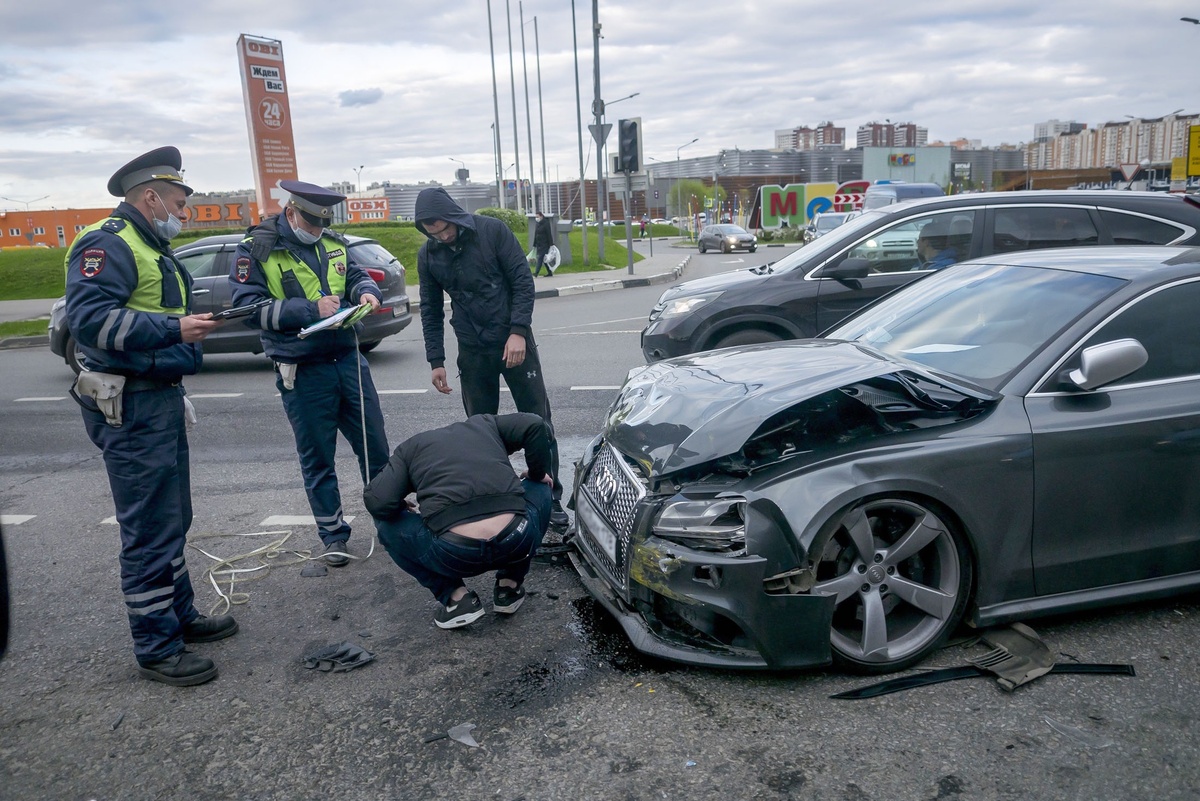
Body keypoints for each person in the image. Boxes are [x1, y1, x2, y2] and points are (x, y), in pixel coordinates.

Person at [65, 146, 237, 686]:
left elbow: (146, 311)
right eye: (180, 204)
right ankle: (156, 647)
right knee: (148, 528)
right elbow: (91, 322)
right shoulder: (108, 243)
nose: (184, 214)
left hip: (156, 396)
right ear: (150, 197)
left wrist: (184, 324)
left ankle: (179, 616)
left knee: (172, 518)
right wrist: (176, 329)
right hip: (132, 403)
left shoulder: (148, 244)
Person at [229, 180, 390, 567]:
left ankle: (390, 523)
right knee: (318, 458)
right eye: (311, 222)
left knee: (376, 449)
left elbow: (355, 274)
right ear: (291, 212)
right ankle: (333, 535)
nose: (317, 230)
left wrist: (367, 292)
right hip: (302, 368)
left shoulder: (331, 241)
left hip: (347, 359)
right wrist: (309, 309)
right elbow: (247, 309)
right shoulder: (257, 249)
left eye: (322, 223)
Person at [412, 187, 570, 530]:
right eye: (433, 233)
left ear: (454, 217)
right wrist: (436, 360)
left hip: (514, 341)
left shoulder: (492, 231)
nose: (442, 237)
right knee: (480, 430)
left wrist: (518, 331)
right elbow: (430, 309)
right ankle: (500, 496)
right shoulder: (428, 255)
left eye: (445, 229)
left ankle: (551, 496)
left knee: (538, 420)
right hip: (472, 349)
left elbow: (522, 282)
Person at [363, 413, 553, 628]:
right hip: (516, 539)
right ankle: (509, 586)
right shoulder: (487, 425)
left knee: (385, 524)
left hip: (454, 553)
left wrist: (399, 505)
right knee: (540, 485)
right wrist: (537, 474)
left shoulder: (409, 449)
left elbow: (378, 502)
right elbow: (534, 424)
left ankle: (456, 598)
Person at [531, 211, 554, 277]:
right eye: (536, 217)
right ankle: (549, 272)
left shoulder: (546, 223)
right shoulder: (538, 224)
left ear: (541, 216)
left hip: (545, 244)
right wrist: (534, 244)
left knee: (540, 258)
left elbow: (549, 234)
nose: (536, 218)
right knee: (544, 259)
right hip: (539, 244)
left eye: (537, 217)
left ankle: (536, 273)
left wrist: (551, 244)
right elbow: (536, 234)